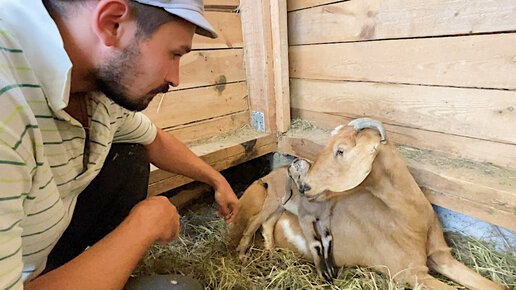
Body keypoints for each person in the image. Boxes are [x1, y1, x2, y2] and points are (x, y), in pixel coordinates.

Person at [0, 0, 240, 288]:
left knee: (129, 155)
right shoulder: (7, 105)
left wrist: (216, 180)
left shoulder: (96, 85)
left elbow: (154, 140)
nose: (174, 79)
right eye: (174, 54)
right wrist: (143, 225)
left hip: (41, 255)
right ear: (112, 23)